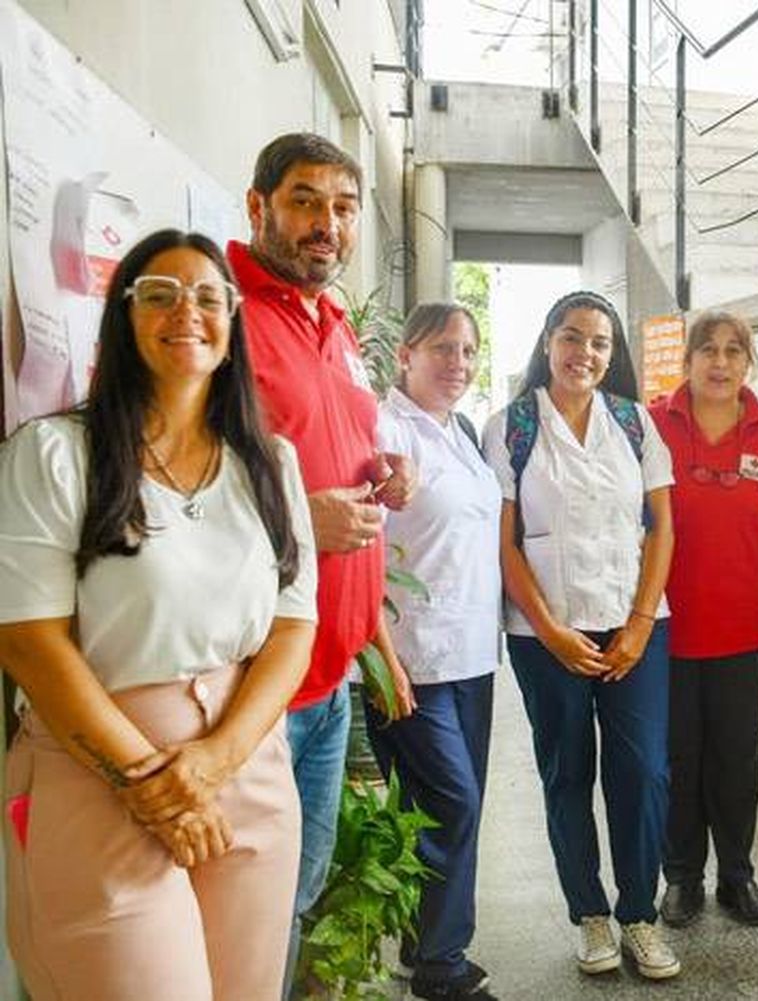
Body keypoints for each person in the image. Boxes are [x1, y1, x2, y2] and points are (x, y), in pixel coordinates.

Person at [0, 229, 317, 1000]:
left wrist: (215, 760)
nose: (188, 312)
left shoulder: (268, 463)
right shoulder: (54, 453)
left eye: (210, 296)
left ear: (233, 320)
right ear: (124, 313)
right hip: (98, 775)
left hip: (247, 773)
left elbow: (291, 627)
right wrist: (151, 782)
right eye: (161, 294)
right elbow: (29, 640)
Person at [226, 131, 417, 991]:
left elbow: (325, 450)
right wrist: (306, 514)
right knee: (242, 904)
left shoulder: (331, 321)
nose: (327, 224)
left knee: (292, 895)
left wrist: (377, 470)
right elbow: (174, 481)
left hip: (327, 673)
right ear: (258, 207)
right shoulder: (221, 313)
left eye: (343, 207)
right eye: (305, 201)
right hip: (254, 680)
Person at [481, 291, 679, 980]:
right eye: (572, 337)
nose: (584, 353)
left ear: (612, 353)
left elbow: (662, 529)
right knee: (567, 770)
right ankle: (589, 912)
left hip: (634, 628)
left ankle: (639, 914)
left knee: (645, 773)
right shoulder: (510, 426)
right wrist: (550, 630)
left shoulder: (634, 423)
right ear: (546, 340)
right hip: (545, 635)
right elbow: (503, 542)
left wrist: (641, 621)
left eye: (599, 343)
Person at [365, 303, 500, 1000]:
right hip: (414, 657)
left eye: (469, 350)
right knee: (454, 803)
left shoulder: (461, 432)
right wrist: (384, 658)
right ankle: (441, 965)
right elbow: (359, 555)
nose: (459, 362)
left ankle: (429, 945)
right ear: (406, 357)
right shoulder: (385, 429)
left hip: (473, 653)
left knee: (444, 805)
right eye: (443, 348)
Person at [648, 311, 758, 930]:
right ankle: (682, 876)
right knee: (678, 755)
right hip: (668, 624)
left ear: (748, 364)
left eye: (734, 351)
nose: (721, 362)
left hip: (742, 625)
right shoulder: (653, 425)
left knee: (737, 757)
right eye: (708, 350)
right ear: (689, 359)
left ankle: (737, 873)